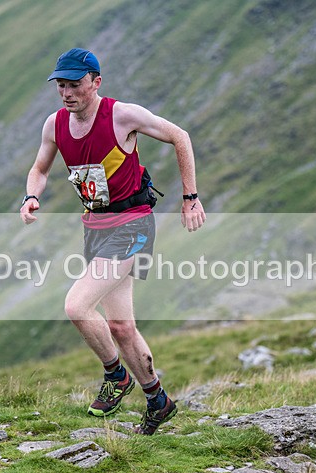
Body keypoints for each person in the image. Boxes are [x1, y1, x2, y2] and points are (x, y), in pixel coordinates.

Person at [20, 48, 206, 435]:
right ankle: (158, 400)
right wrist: (31, 196)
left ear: (96, 82)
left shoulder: (122, 116)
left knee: (77, 306)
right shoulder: (55, 125)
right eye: (61, 85)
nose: (66, 93)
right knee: (121, 326)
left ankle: (116, 375)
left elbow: (180, 136)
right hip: (96, 227)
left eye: (75, 84)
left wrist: (190, 197)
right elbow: (39, 168)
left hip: (132, 226)